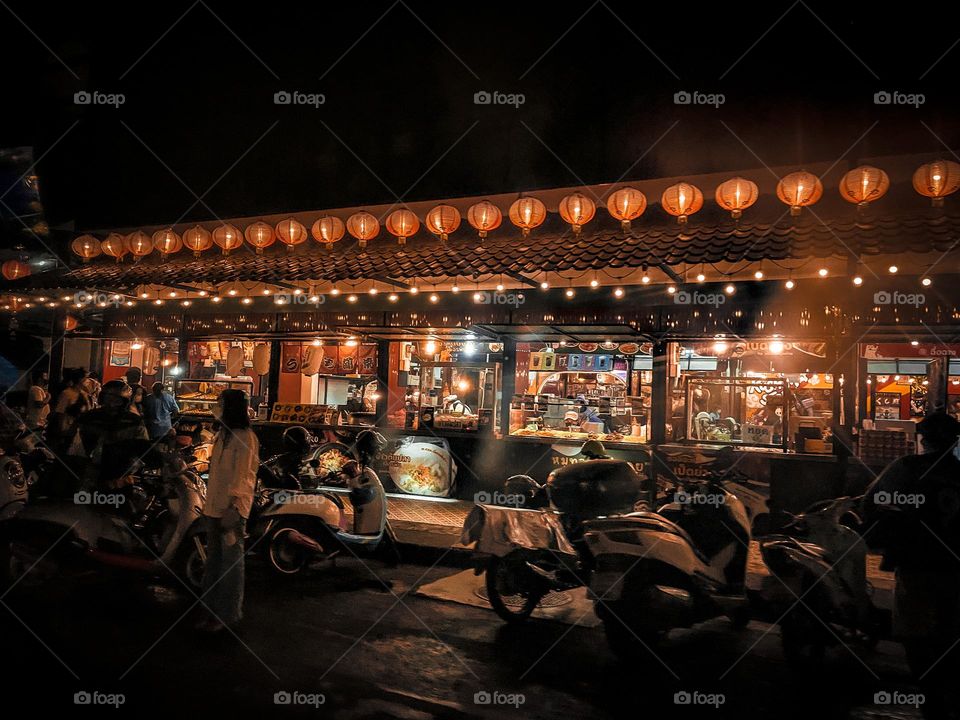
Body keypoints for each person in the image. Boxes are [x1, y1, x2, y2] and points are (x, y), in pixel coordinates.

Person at [863, 411, 960, 717]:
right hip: (955, 567)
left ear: (923, 439)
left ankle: (929, 689)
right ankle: (944, 687)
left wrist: (884, 533)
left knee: (913, 631)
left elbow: (872, 501)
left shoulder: (906, 468)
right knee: (949, 629)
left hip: (916, 564)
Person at [199, 389, 259, 632]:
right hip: (213, 506)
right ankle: (209, 610)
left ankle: (227, 614)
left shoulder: (245, 437)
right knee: (213, 561)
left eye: (220, 404)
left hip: (231, 510)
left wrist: (234, 507)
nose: (217, 407)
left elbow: (245, 477)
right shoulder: (221, 434)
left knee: (231, 565)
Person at [74, 380, 149, 489]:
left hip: (97, 474)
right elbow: (143, 447)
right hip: (112, 474)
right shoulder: (133, 420)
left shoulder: (88, 417)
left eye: (114, 399)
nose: (111, 403)